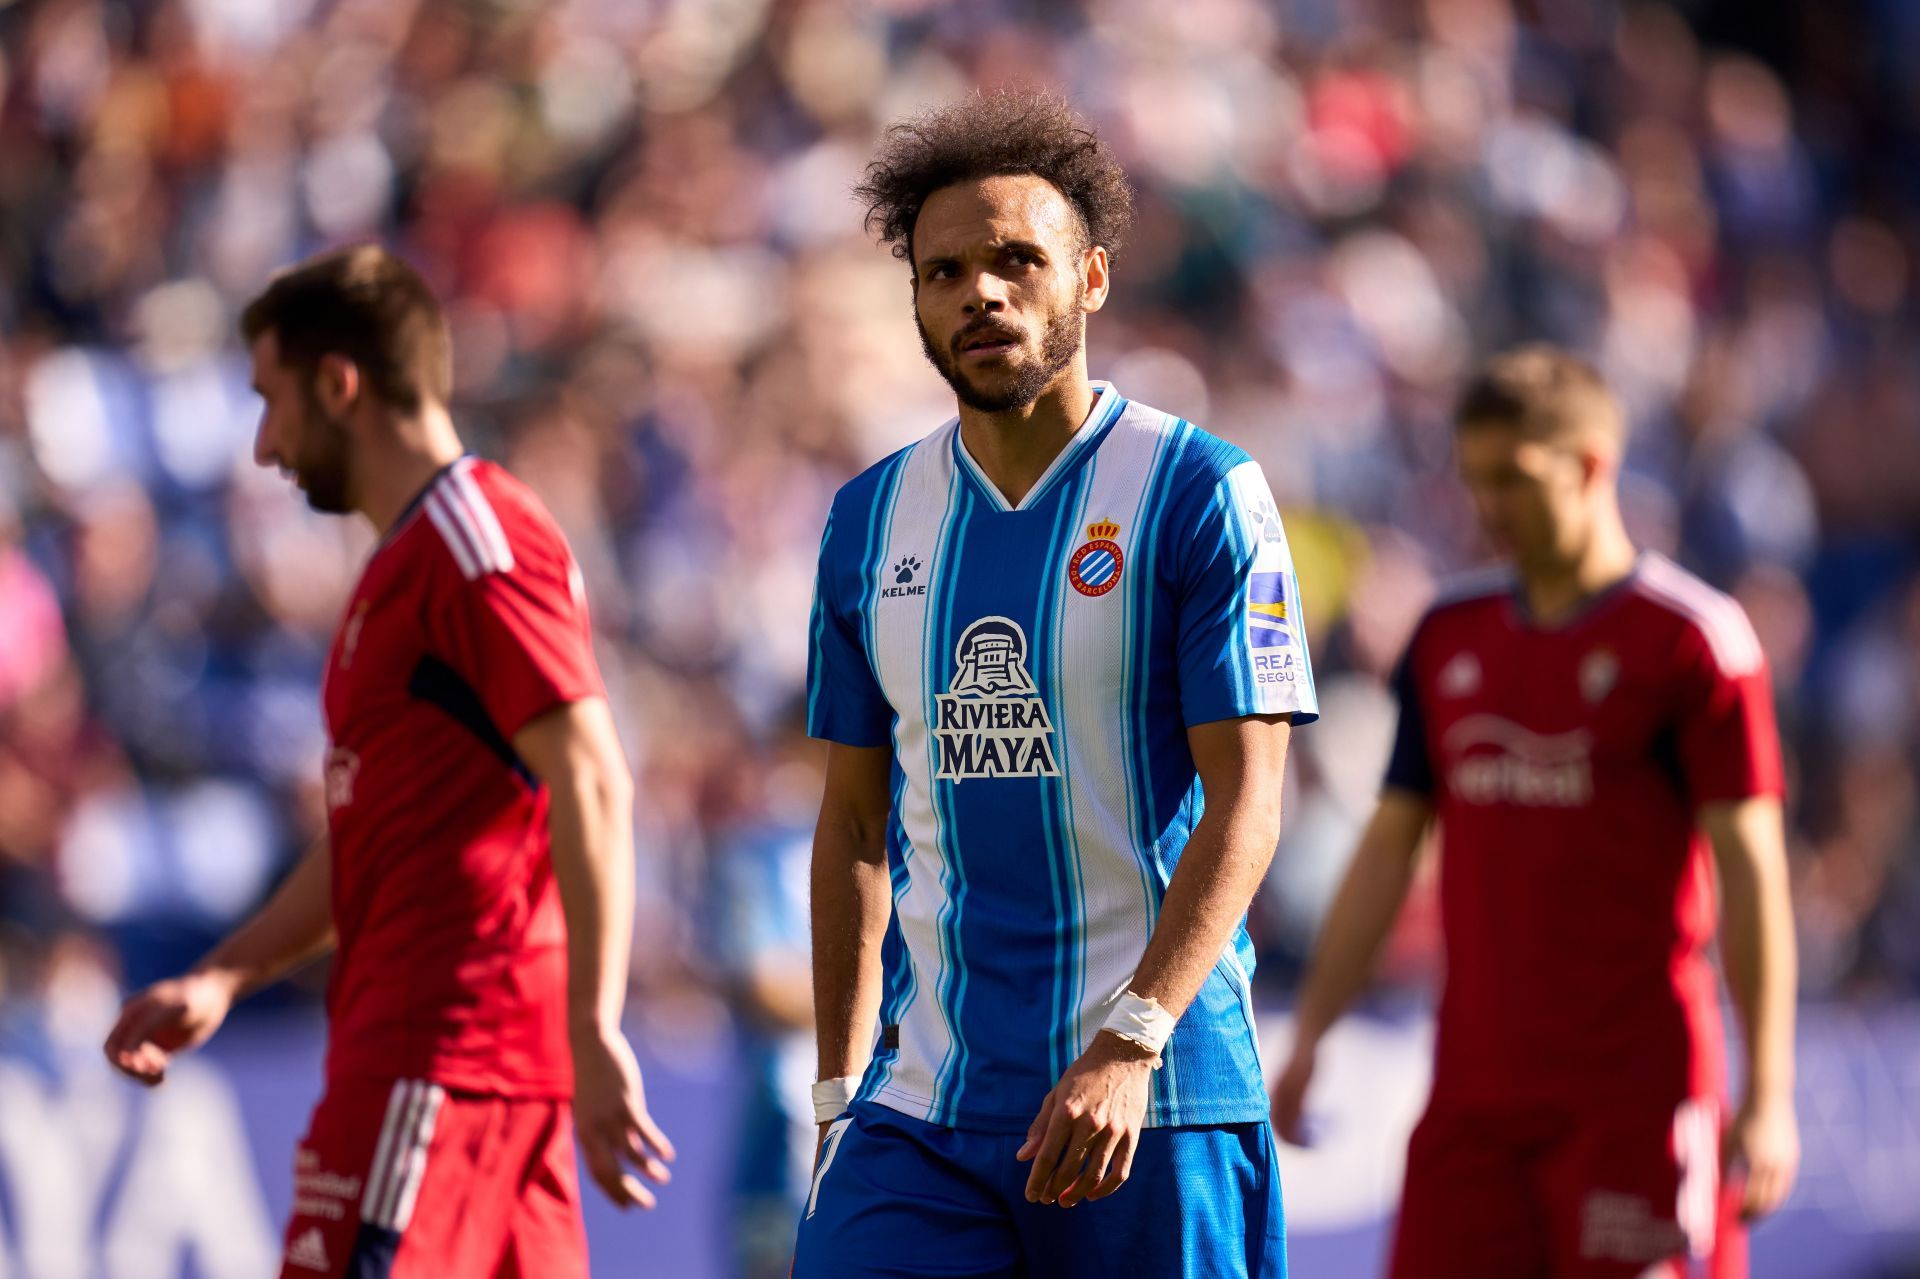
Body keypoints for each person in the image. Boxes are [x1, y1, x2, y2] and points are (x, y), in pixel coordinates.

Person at [795, 91, 1317, 1279]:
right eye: (944, 272)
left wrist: (1132, 1041)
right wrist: (834, 1089)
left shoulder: (1198, 490)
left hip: (1156, 1097)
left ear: (1089, 278)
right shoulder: (867, 522)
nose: (979, 292)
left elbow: (1250, 802)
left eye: (1016, 260)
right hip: (922, 1109)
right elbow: (856, 823)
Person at [101, 245, 675, 1279]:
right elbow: (376, 831)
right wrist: (227, 974)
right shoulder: (403, 565)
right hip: (464, 1072)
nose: (266, 443)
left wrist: (596, 1024)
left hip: (441, 1068)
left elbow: (592, 772)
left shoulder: (475, 540)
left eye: (271, 400)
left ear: (339, 384)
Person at [1269, 347, 1799, 1278]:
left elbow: (1753, 875)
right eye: (1476, 480)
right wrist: (1313, 1032)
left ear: (1593, 464)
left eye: (1514, 479)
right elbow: (1388, 851)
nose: (1490, 508)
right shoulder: (1448, 636)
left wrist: (1769, 1090)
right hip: (1474, 1094)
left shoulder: (1692, 642)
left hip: (1636, 1092)